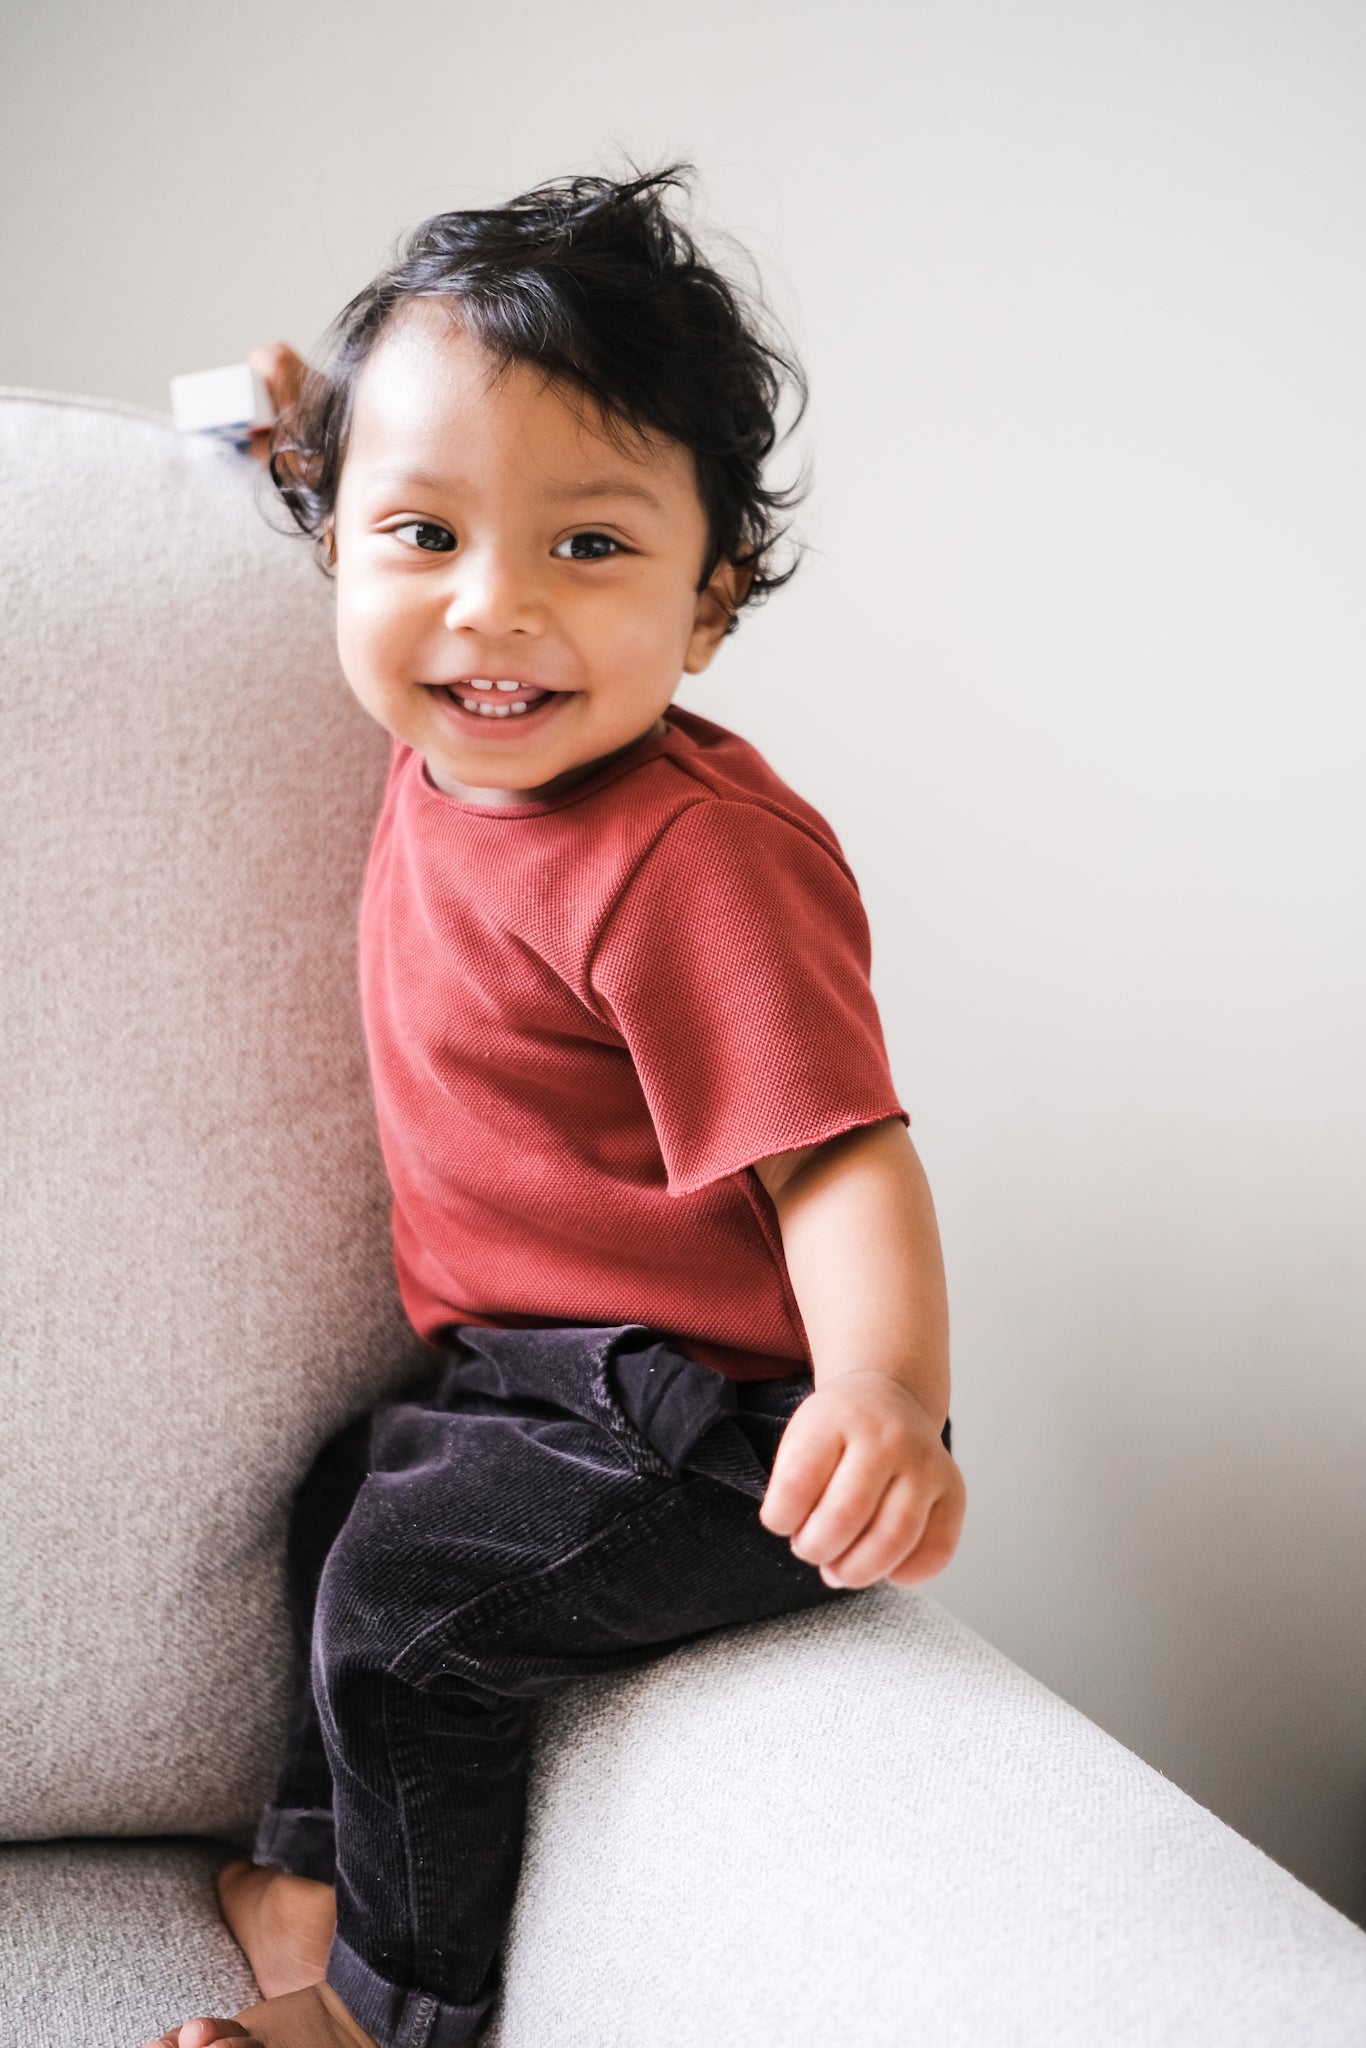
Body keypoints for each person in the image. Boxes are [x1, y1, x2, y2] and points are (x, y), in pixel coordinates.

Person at [144, 166, 966, 2048]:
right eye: (423, 535)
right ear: (337, 539)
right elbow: (361, 479)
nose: (493, 611)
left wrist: (884, 1396)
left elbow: (836, 1147)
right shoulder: (452, 723)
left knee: (419, 1606)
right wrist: (288, 430)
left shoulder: (688, 857)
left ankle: (388, 2006)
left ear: (709, 605)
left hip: (713, 1424)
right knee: (347, 1493)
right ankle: (310, 1858)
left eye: (589, 550)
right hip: (528, 1371)